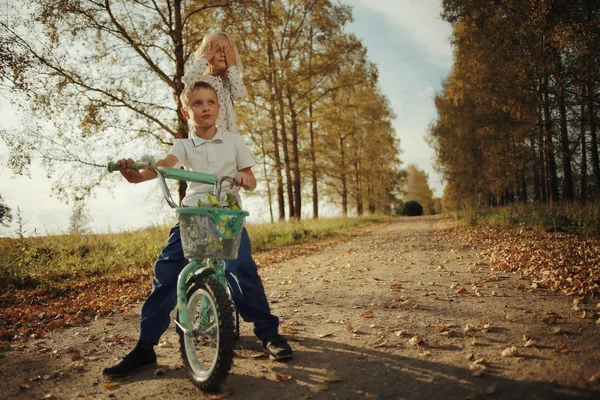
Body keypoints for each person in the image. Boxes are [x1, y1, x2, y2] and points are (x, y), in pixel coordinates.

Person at [102, 81, 293, 378]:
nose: (205, 108)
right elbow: (163, 166)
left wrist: (244, 180)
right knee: (167, 272)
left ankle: (269, 334)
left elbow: (251, 179)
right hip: (192, 216)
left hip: (227, 217)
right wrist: (135, 173)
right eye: (197, 104)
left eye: (210, 102)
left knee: (242, 269)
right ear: (185, 111)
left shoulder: (233, 141)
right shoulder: (183, 145)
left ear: (218, 107)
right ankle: (144, 346)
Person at [182, 32, 247, 134]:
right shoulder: (202, 82)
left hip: (227, 139)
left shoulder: (230, 81)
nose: (222, 54)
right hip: (204, 139)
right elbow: (188, 80)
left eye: (226, 50)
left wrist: (232, 68)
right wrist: (205, 57)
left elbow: (240, 95)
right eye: (217, 50)